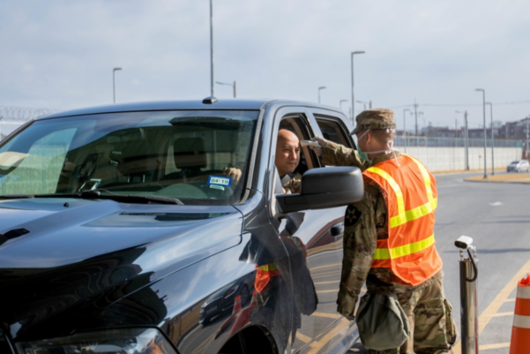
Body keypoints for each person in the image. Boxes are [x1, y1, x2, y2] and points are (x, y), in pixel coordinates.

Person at [310, 109, 456, 354]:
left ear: (366, 137)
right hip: (430, 276)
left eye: (358, 137)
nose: (357, 143)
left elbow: (359, 253)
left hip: (395, 288)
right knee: (435, 350)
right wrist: (329, 150)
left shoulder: (370, 186)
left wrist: (347, 303)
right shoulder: (416, 167)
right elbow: (375, 165)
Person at [224, 129, 302, 194]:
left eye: (297, 150)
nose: (294, 156)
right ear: (270, 151)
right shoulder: (248, 177)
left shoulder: (300, 184)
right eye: (287, 150)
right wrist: (236, 180)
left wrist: (282, 192)